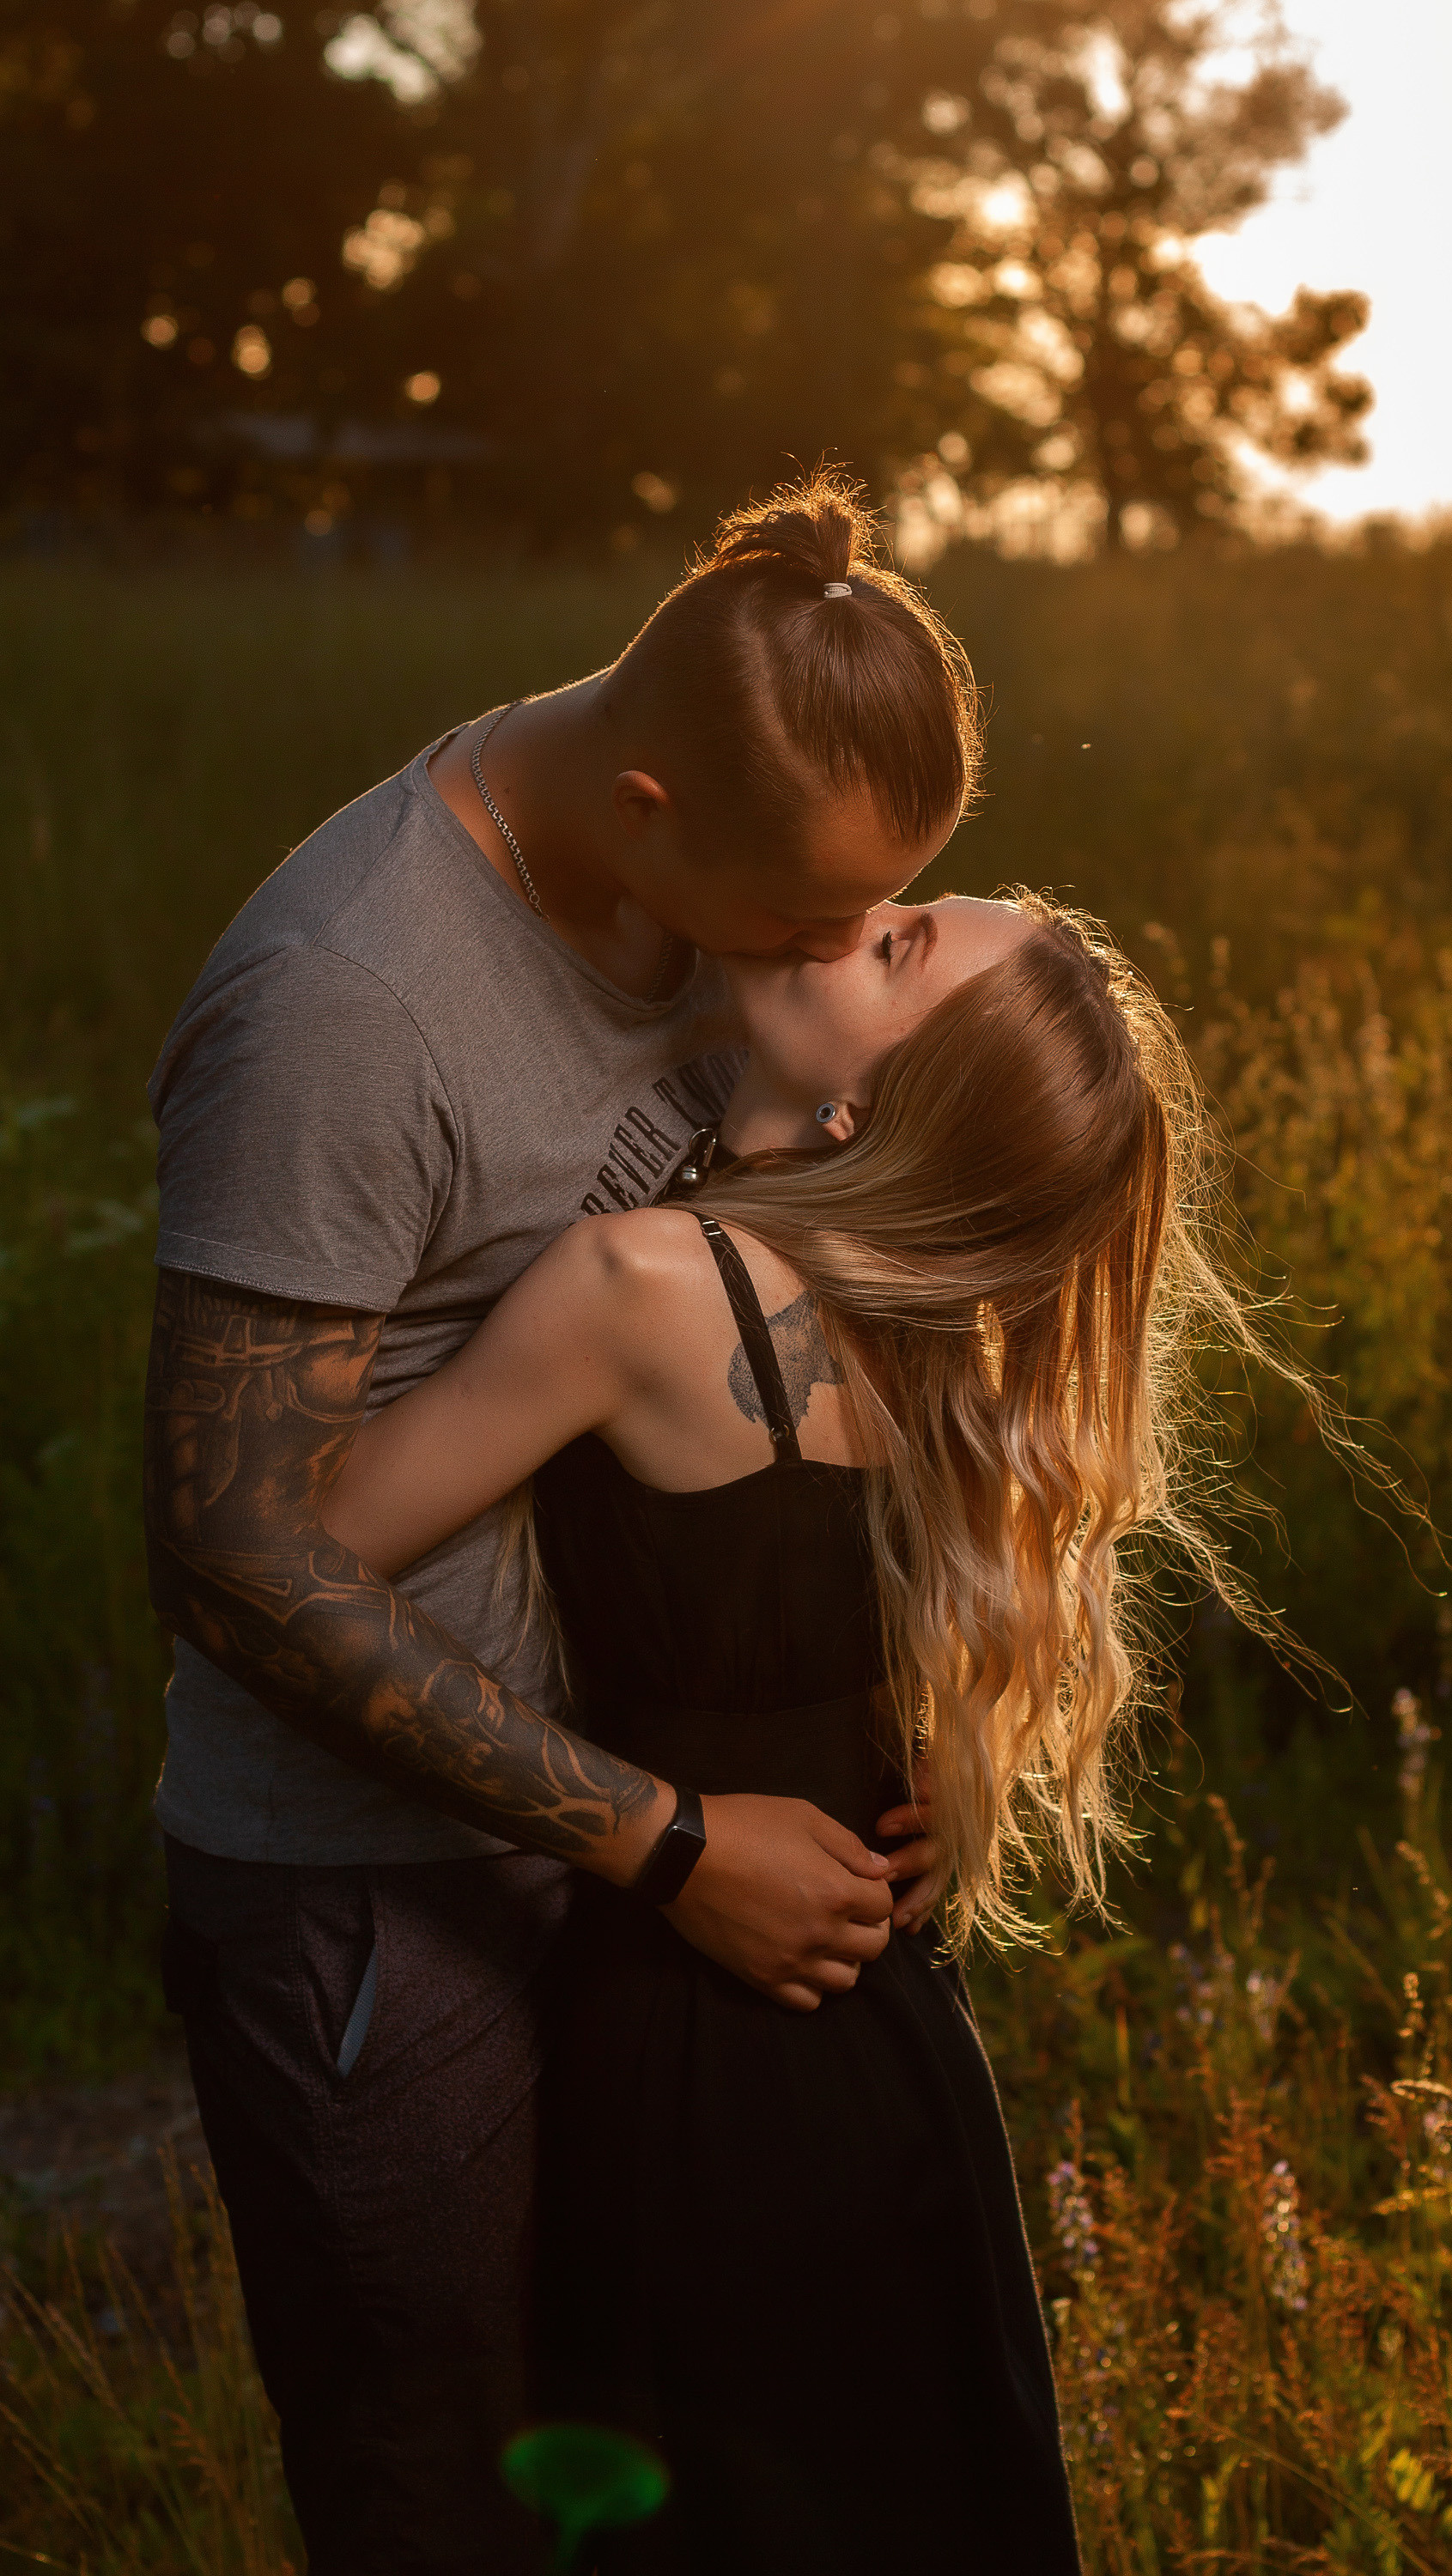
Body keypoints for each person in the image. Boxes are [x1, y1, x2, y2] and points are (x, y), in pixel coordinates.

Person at [143, 472, 981, 2572]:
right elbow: (230, 1549)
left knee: (660, 2454)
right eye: (801, 924)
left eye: (870, 918)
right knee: (439, 2476)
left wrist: (894, 1724)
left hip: (649, 1836)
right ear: (642, 806)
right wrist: (667, 1842)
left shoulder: (733, 849)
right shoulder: (348, 1005)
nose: (828, 959)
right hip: (385, 1887)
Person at [320, 887, 1238, 2574]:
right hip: (893, 2033)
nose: (859, 909)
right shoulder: (930, 1312)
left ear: (864, 1111)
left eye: (898, 949)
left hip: (704, 2034)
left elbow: (304, 1550)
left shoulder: (642, 1280)